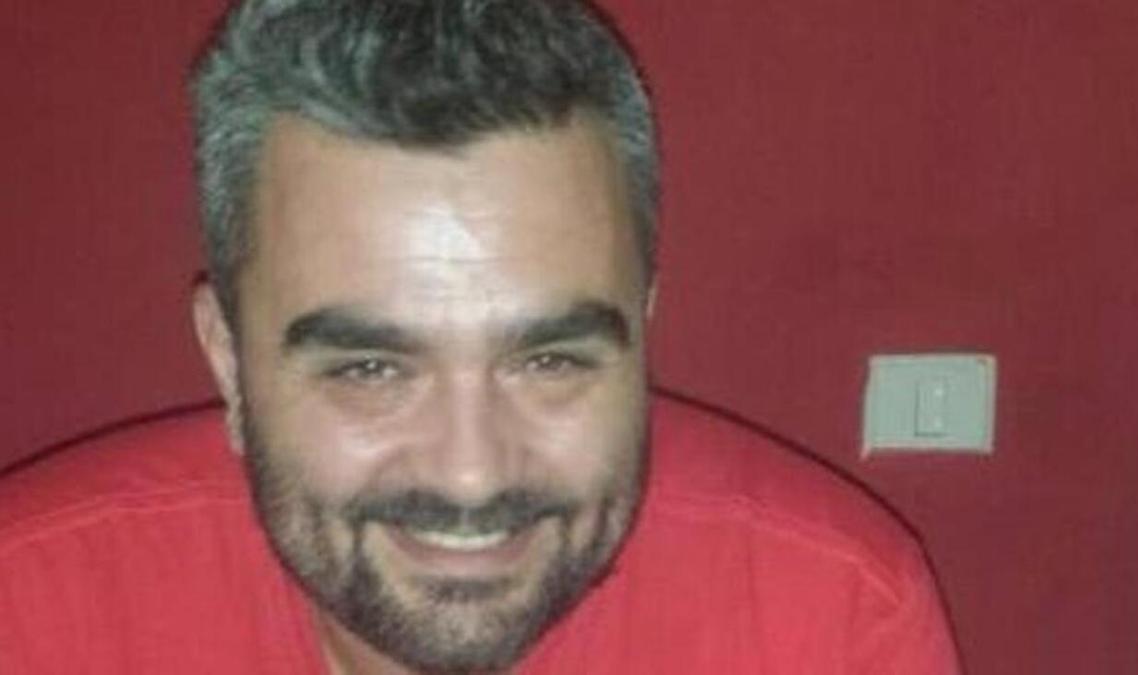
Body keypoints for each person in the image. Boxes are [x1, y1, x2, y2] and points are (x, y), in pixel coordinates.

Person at [0, 0, 961, 672]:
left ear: (643, 333)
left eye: (549, 360)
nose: (471, 475)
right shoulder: (28, 616)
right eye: (370, 367)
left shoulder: (831, 617)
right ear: (229, 360)